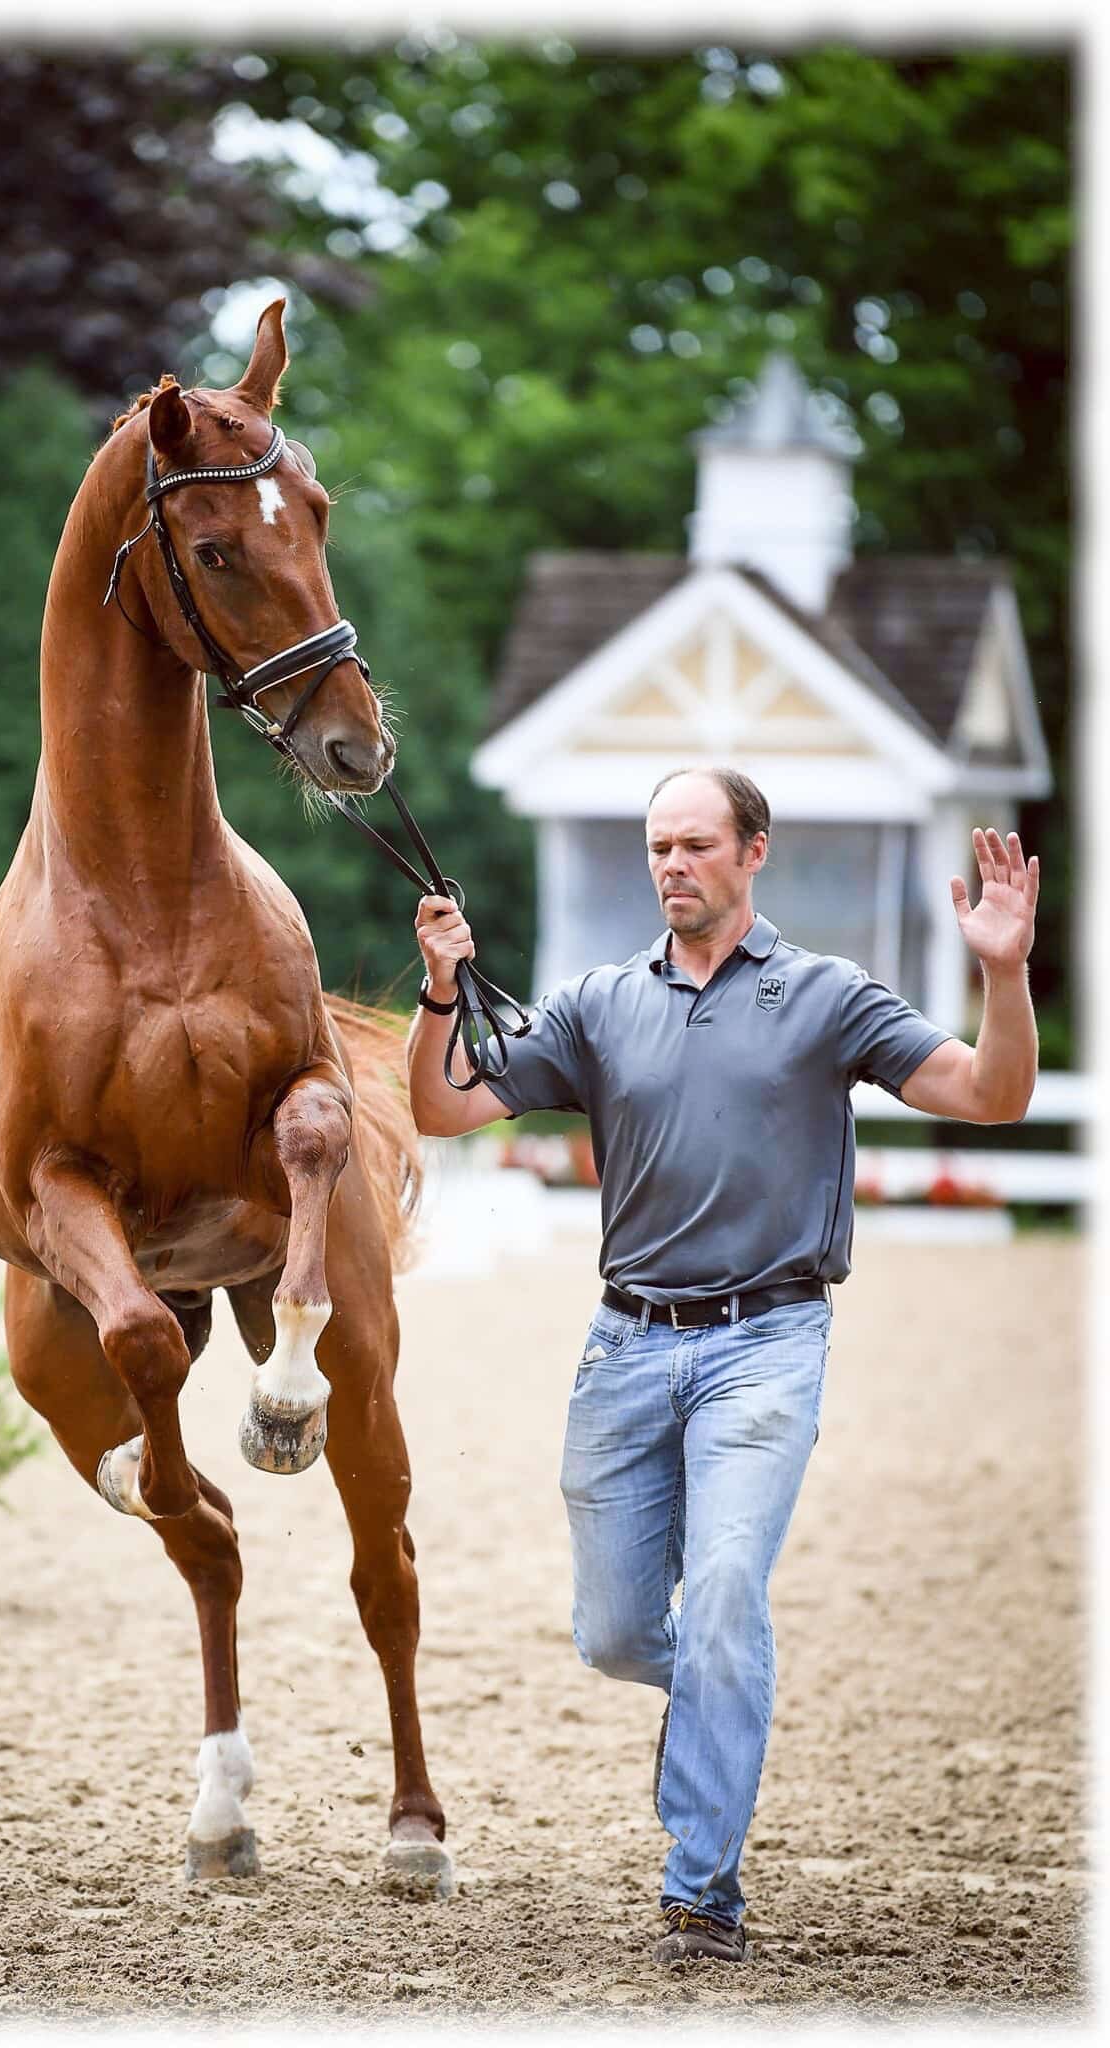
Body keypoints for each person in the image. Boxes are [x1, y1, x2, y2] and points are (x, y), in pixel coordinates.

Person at [405, 765, 1039, 1966]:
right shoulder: (598, 1002)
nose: (672, 864)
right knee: (614, 1631)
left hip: (770, 1341)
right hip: (625, 1346)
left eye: (696, 842)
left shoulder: (826, 997)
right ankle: (709, 1702)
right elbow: (443, 1112)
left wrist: (1004, 971)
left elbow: (994, 1094)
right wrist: (441, 992)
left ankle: (702, 1889)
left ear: (755, 853)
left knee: (730, 1594)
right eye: (658, 845)